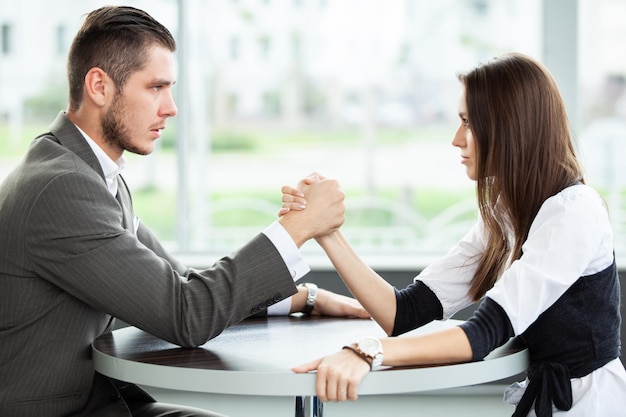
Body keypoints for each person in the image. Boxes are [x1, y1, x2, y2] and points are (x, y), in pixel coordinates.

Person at [0, 6, 369, 417]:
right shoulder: (61, 188)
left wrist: (305, 299)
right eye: (156, 88)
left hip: (103, 403)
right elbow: (186, 314)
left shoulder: (93, 173)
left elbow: (180, 283)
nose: (171, 108)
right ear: (99, 86)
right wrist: (299, 227)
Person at [282, 53, 626, 416]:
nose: (456, 139)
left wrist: (368, 350)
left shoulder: (573, 212)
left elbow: (484, 334)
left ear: (510, 127)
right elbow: (403, 312)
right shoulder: (505, 213)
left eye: (469, 123)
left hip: (591, 405)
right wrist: (327, 231)